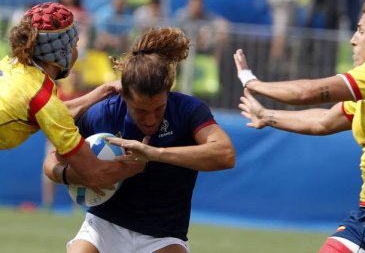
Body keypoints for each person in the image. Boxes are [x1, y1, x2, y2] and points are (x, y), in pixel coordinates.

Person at [234, 0, 365, 252]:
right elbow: (325, 121)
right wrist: (268, 116)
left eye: (360, 31)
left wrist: (253, 82)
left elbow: (307, 92)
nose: (353, 40)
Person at [43, 27, 235, 253]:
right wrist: (82, 175)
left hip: (164, 236)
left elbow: (225, 154)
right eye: (141, 110)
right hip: (103, 227)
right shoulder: (105, 112)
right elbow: (51, 162)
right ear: (124, 95)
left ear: (168, 92)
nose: (151, 119)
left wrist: (155, 154)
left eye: (159, 108)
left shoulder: (187, 110)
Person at [0, 2, 141, 190]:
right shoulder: (40, 97)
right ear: (61, 53)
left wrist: (106, 89)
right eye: (75, 45)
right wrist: (139, 163)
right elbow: (95, 174)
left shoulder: (10, 63)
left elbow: (57, 114)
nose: (77, 51)